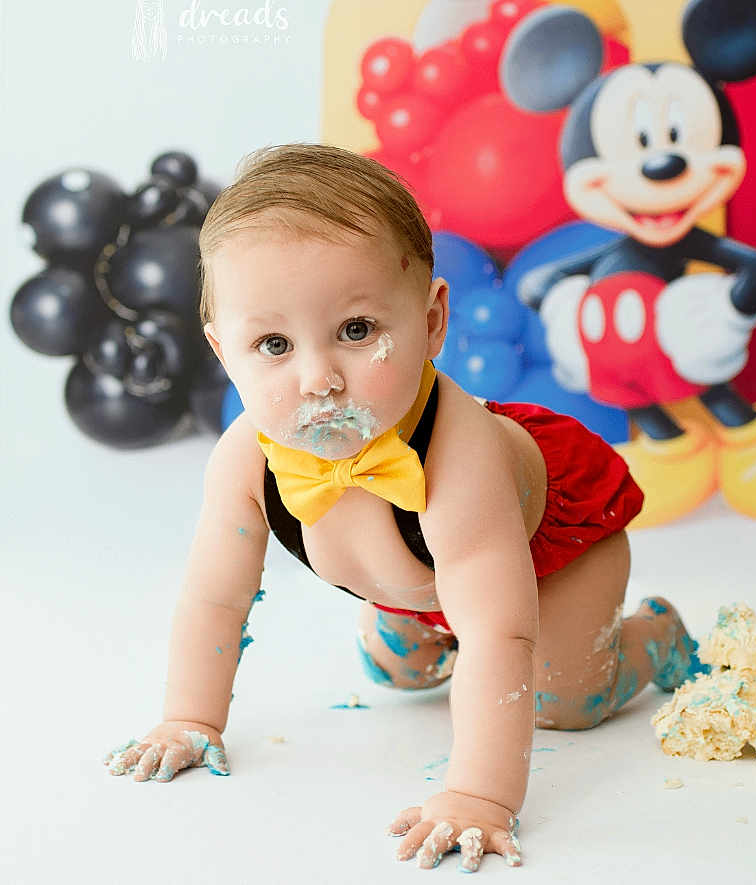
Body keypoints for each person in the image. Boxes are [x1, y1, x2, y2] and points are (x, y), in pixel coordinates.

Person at [103, 143, 706, 873]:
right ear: (224, 353)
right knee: (396, 672)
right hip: (423, 583)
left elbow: (500, 632)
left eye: (357, 331)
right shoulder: (245, 460)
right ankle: (424, 628)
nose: (319, 378)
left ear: (432, 321)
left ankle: (653, 636)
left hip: (554, 550)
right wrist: (189, 718)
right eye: (273, 343)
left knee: (565, 701)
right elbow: (213, 597)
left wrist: (479, 795)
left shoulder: (462, 459)